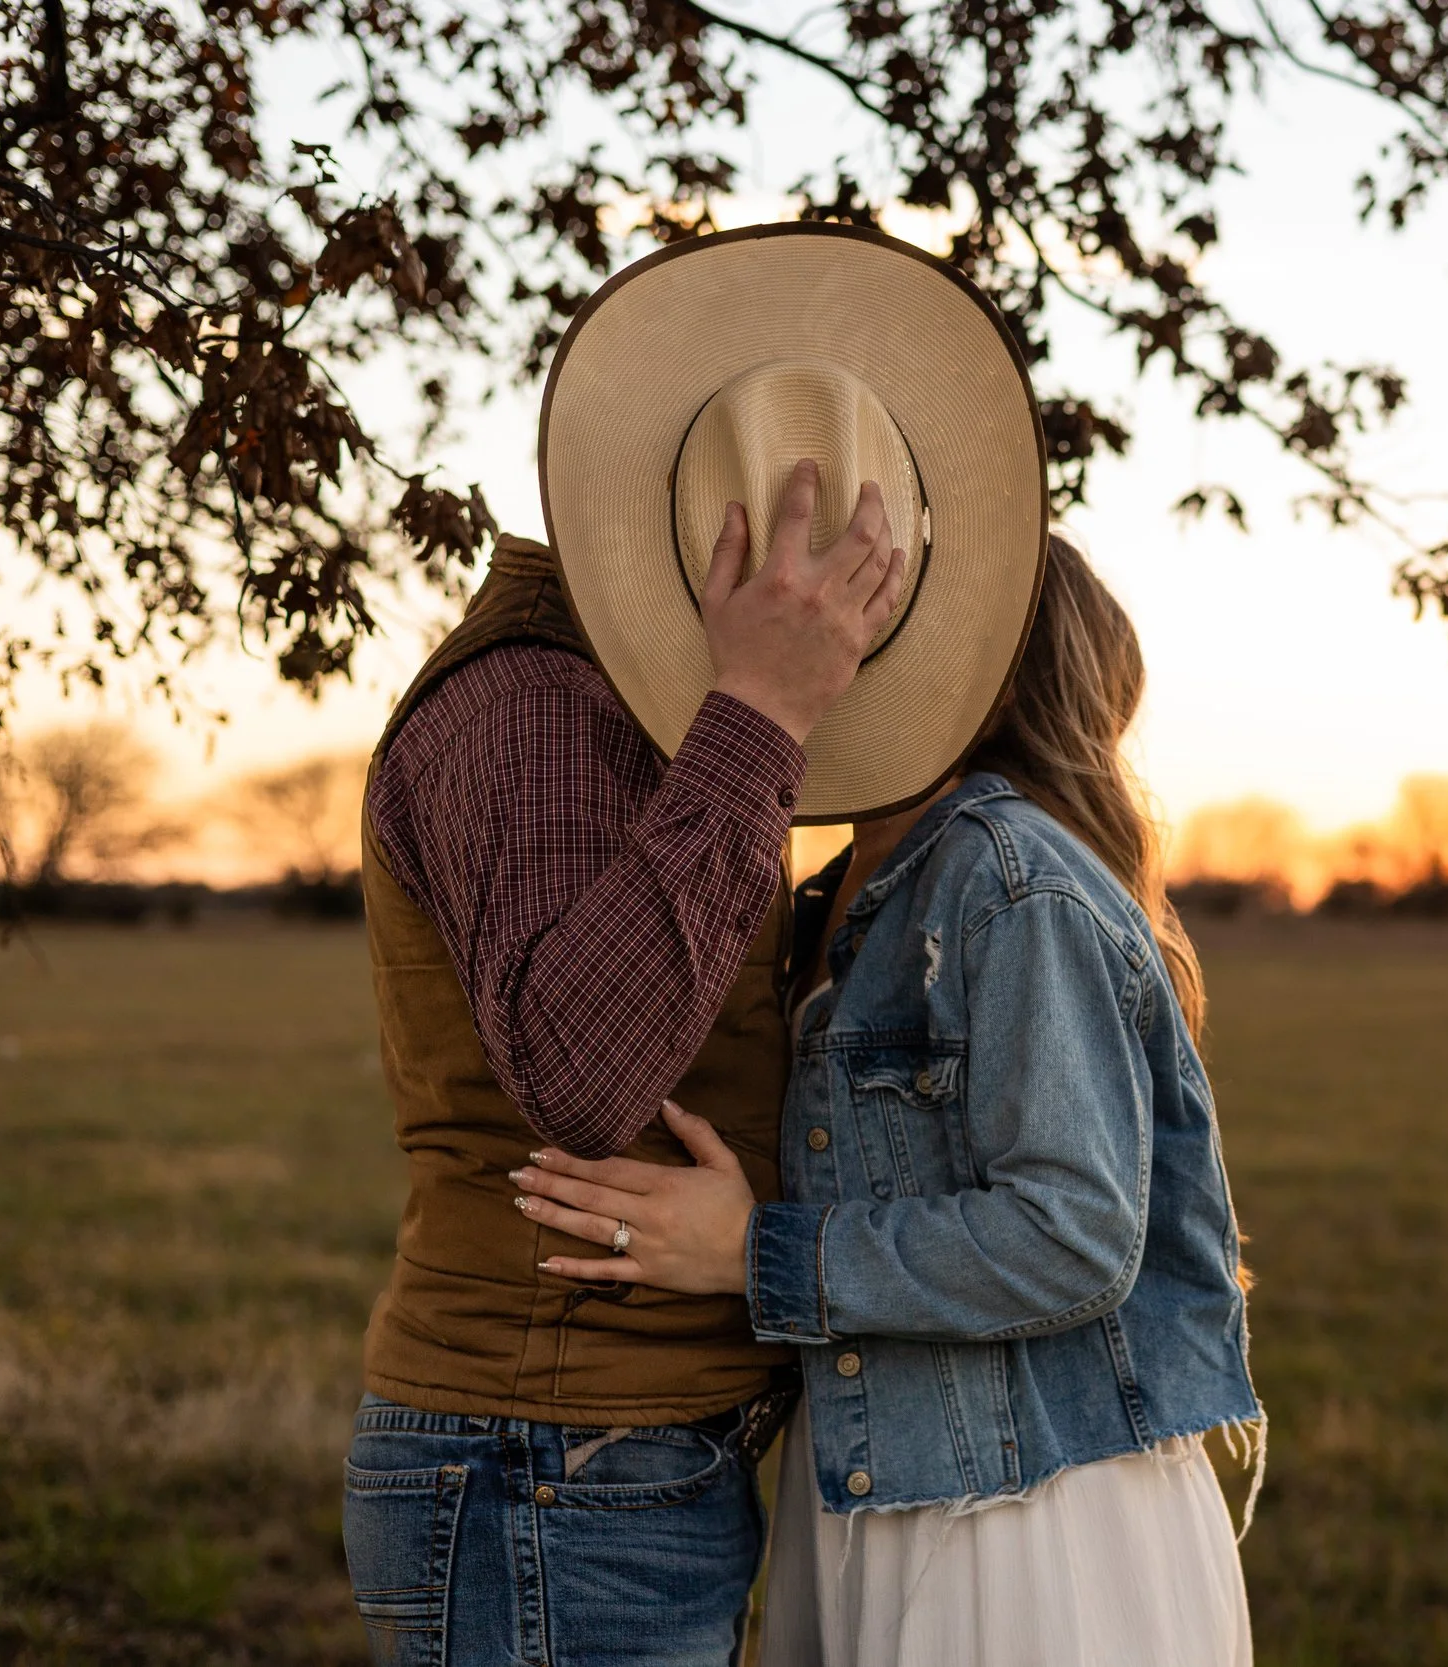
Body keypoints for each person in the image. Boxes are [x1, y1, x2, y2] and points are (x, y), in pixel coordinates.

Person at [343, 223, 1052, 1664]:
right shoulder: (544, 701)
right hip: (549, 1458)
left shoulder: (653, 720)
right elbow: (581, 1070)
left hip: (602, 1465)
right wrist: (768, 709)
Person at [512, 536, 1263, 1666]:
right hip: (898, 1476)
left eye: (872, 612)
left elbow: (1073, 1233)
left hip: (1019, 1516)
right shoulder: (852, 883)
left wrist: (754, 1252)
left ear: (974, 666)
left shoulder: (1007, 878)